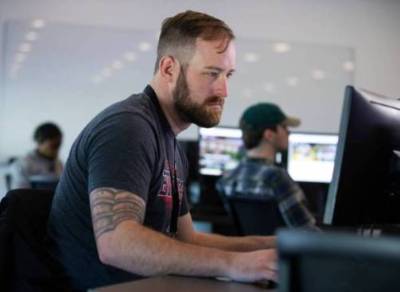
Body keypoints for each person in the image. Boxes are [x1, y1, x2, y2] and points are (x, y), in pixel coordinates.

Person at [47, 10, 277, 291]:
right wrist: (233, 265)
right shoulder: (128, 127)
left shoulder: (170, 142)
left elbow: (187, 238)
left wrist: (268, 246)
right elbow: (116, 244)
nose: (224, 90)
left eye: (228, 74)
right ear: (169, 68)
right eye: (212, 73)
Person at [218, 103, 318, 231]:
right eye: (284, 127)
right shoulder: (276, 177)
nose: (289, 132)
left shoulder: (227, 179)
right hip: (284, 250)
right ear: (269, 134)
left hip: (251, 250)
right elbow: (306, 233)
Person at [9, 122, 63, 189]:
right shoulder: (22, 164)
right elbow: (20, 194)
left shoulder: (58, 163)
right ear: (40, 142)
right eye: (53, 146)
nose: (57, 149)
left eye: (59, 145)